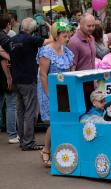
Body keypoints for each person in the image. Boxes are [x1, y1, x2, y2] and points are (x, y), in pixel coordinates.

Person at [10, 17, 52, 151]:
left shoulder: (13, 39)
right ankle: (28, 142)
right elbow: (51, 40)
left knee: (20, 110)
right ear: (33, 29)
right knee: (30, 111)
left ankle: (23, 139)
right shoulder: (31, 39)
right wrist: (51, 28)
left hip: (16, 79)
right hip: (28, 80)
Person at [37, 21, 73, 167]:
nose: (68, 38)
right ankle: (46, 150)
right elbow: (43, 75)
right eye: (65, 36)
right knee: (54, 122)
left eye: (68, 35)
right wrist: (49, 94)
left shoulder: (67, 51)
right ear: (56, 36)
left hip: (64, 91)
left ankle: (60, 151)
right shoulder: (46, 51)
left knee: (63, 121)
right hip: (49, 90)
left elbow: (71, 73)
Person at [0, 14, 18, 144]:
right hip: (4, 76)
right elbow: (2, 58)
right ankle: (12, 135)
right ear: (7, 24)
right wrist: (9, 77)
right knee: (11, 104)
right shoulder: (4, 38)